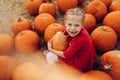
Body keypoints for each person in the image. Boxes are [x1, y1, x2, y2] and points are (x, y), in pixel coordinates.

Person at [44, 7, 97, 72]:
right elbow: (64, 31)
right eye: (69, 24)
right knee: (59, 34)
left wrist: (52, 50)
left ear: (82, 25)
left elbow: (66, 55)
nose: (72, 28)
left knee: (50, 56)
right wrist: (59, 34)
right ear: (65, 23)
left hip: (80, 63)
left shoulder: (79, 40)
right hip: (79, 54)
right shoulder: (75, 31)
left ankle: (55, 69)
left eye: (77, 25)